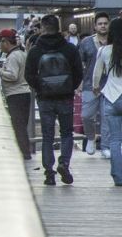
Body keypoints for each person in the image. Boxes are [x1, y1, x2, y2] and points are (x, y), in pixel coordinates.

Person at [25, 14, 84, 186]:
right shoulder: (69, 49)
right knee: (67, 133)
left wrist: (41, 87)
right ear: (59, 28)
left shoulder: (36, 51)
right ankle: (64, 163)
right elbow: (79, 73)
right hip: (65, 98)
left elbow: (28, 75)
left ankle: (49, 172)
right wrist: (69, 87)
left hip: (45, 99)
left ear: (42, 28)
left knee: (47, 136)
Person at [91, 17, 122, 185]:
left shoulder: (104, 50)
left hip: (111, 97)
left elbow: (96, 76)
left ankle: (118, 177)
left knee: (115, 140)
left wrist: (96, 88)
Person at [0, 29, 32, 159]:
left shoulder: (13, 56)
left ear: (5, 42)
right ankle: (25, 152)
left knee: (18, 126)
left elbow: (12, 76)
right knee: (21, 125)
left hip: (16, 95)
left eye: (1, 42)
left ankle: (24, 154)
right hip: (25, 93)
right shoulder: (22, 53)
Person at [79, 11, 111, 157]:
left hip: (109, 86)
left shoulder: (115, 42)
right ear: (95, 26)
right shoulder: (86, 42)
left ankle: (105, 146)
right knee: (86, 115)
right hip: (89, 85)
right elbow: (80, 63)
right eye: (100, 24)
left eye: (105, 23)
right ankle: (91, 138)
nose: (103, 26)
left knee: (106, 117)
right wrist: (79, 83)